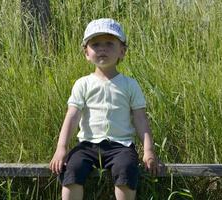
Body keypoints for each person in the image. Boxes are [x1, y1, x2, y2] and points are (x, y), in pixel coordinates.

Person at [50, 18, 161, 200]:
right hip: (87, 145)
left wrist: (148, 150)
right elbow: (72, 116)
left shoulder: (129, 84)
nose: (102, 48)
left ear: (122, 51)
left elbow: (140, 119)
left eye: (109, 44)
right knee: (72, 168)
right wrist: (61, 148)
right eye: (95, 44)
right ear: (86, 53)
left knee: (126, 168)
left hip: (121, 146)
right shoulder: (83, 84)